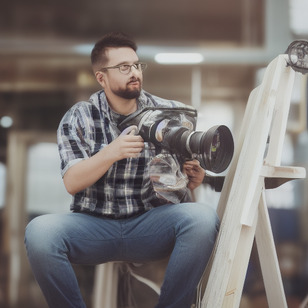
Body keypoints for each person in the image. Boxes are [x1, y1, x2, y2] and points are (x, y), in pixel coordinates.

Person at [24, 32, 219, 308]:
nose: (134, 73)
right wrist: (111, 153)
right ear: (101, 77)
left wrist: (190, 181)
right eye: (123, 67)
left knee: (202, 218)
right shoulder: (79, 116)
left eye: (137, 65)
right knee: (39, 233)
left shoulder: (169, 113)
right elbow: (72, 182)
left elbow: (182, 189)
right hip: (94, 227)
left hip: (150, 225)